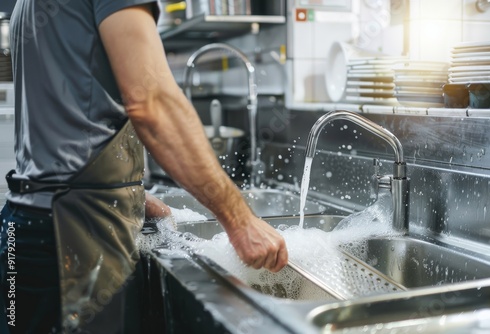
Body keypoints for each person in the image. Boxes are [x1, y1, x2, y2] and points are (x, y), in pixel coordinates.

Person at [0, 1, 288, 333]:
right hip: (75, 236)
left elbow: (60, 118)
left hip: (29, 224)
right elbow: (153, 103)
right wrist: (241, 221)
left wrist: (126, 190)